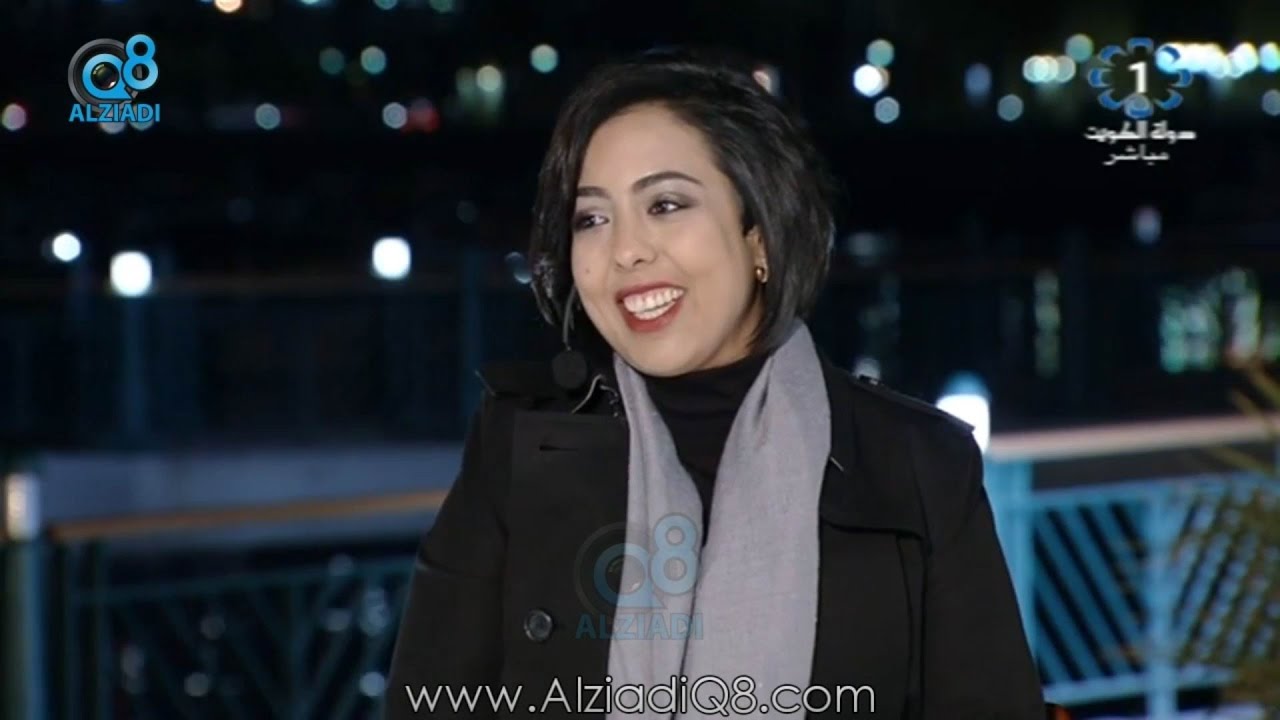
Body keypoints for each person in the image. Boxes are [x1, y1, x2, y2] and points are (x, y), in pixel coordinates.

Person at [386, 48, 1046, 719]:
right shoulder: (518, 443)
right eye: (592, 218)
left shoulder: (917, 464)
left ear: (759, 236)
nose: (626, 250)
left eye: (666, 204)